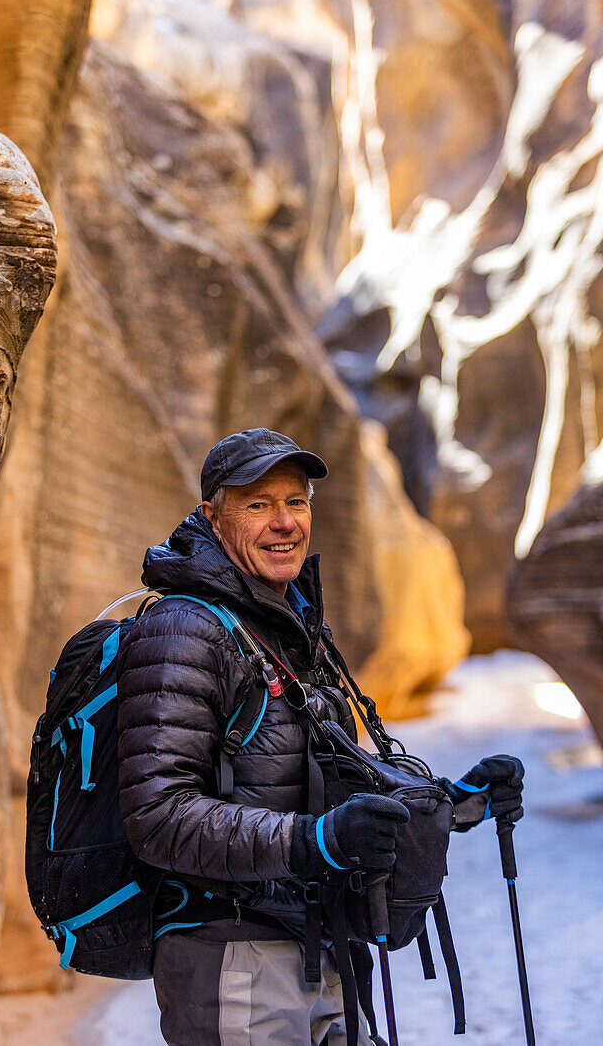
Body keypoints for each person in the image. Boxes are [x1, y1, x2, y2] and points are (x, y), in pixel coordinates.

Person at [117, 428, 524, 1045]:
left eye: (296, 502)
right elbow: (157, 815)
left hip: (321, 945)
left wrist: (452, 802)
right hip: (234, 960)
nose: (284, 523)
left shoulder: (287, 624)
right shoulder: (183, 631)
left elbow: (328, 771)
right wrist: (317, 840)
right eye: (258, 505)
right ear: (211, 516)